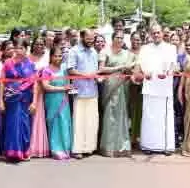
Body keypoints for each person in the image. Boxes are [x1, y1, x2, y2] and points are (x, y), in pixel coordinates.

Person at [137, 24, 178, 155]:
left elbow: (173, 66)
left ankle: (166, 147)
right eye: (153, 33)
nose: (156, 35)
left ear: (162, 33)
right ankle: (148, 145)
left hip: (164, 87)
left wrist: (166, 73)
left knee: (164, 117)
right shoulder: (144, 48)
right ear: (150, 34)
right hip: (149, 86)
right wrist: (145, 73)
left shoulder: (171, 48)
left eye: (158, 32)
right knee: (149, 117)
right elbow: (140, 64)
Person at [98, 31, 134, 157]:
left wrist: (129, 68)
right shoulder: (105, 52)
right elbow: (101, 69)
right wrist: (118, 68)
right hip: (110, 86)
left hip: (123, 86)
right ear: (112, 39)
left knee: (121, 114)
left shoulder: (127, 54)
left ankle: (122, 146)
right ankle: (108, 147)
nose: (119, 40)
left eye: (121, 38)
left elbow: (132, 68)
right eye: (117, 37)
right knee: (110, 115)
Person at [0, 41, 37, 161]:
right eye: (17, 47)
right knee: (12, 124)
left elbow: (35, 83)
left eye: (22, 48)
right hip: (11, 98)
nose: (19, 50)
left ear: (26, 49)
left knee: (24, 124)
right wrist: (0, 100)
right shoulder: (8, 63)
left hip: (25, 99)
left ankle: (24, 151)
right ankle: (11, 152)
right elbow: (2, 82)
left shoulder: (30, 64)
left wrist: (35, 101)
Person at [67, 29, 100, 159]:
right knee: (79, 122)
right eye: (88, 39)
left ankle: (89, 147)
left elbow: (95, 70)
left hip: (92, 90)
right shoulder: (74, 51)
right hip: (79, 91)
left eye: (92, 39)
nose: (91, 41)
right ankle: (77, 149)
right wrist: (85, 75)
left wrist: (97, 77)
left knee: (91, 121)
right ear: (81, 37)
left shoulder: (93, 52)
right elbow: (70, 70)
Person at [41, 46, 73, 159]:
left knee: (64, 122)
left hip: (64, 100)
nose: (58, 58)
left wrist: (68, 88)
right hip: (52, 100)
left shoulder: (64, 69)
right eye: (56, 56)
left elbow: (68, 83)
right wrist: (62, 89)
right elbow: (45, 86)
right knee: (54, 123)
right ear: (51, 56)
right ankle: (55, 149)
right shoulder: (46, 70)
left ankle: (66, 148)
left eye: (60, 56)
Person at [27, 37, 50, 158]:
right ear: (33, 45)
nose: (39, 46)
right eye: (37, 44)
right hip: (29, 90)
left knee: (41, 117)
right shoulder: (28, 58)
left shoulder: (47, 57)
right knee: (30, 117)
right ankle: (29, 145)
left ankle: (39, 146)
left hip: (45, 90)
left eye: (42, 44)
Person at [128, 32, 144, 146]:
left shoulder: (145, 53)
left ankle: (139, 136)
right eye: (134, 39)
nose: (136, 42)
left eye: (138, 40)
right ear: (130, 40)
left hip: (143, 85)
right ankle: (131, 137)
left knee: (141, 111)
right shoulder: (127, 53)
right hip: (129, 85)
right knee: (131, 111)